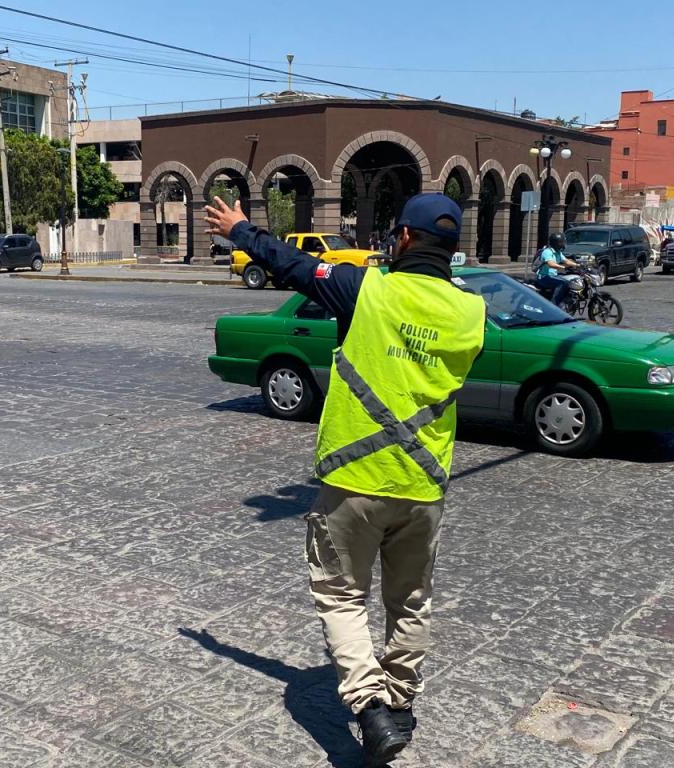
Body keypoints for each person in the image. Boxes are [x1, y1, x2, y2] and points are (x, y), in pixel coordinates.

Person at [205, 193, 486, 766]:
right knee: (410, 600)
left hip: (356, 478)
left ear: (403, 239)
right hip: (424, 485)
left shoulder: (367, 289)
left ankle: (371, 708)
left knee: (340, 594)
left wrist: (241, 230)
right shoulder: (470, 312)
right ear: (452, 249)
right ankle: (401, 701)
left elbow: (296, 266)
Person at [534, 232, 578, 308]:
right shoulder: (547, 252)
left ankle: (566, 300)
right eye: (561, 242)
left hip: (553, 276)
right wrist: (563, 267)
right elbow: (550, 264)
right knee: (562, 283)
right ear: (556, 243)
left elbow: (566, 261)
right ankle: (554, 305)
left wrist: (578, 265)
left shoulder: (557, 252)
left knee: (570, 280)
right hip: (543, 277)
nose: (563, 244)